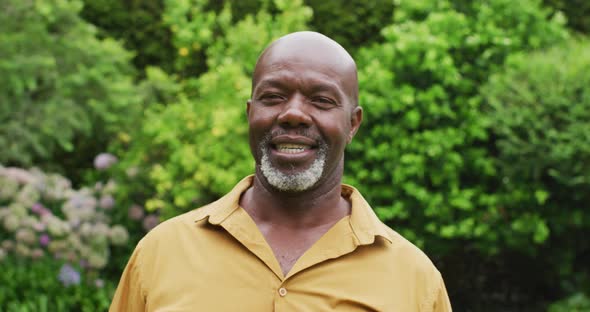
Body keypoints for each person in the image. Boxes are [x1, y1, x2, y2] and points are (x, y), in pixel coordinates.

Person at [110, 31, 452, 311]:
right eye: (273, 96)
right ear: (249, 114)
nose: (293, 114)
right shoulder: (161, 253)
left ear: (353, 124)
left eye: (321, 100)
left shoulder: (414, 280)